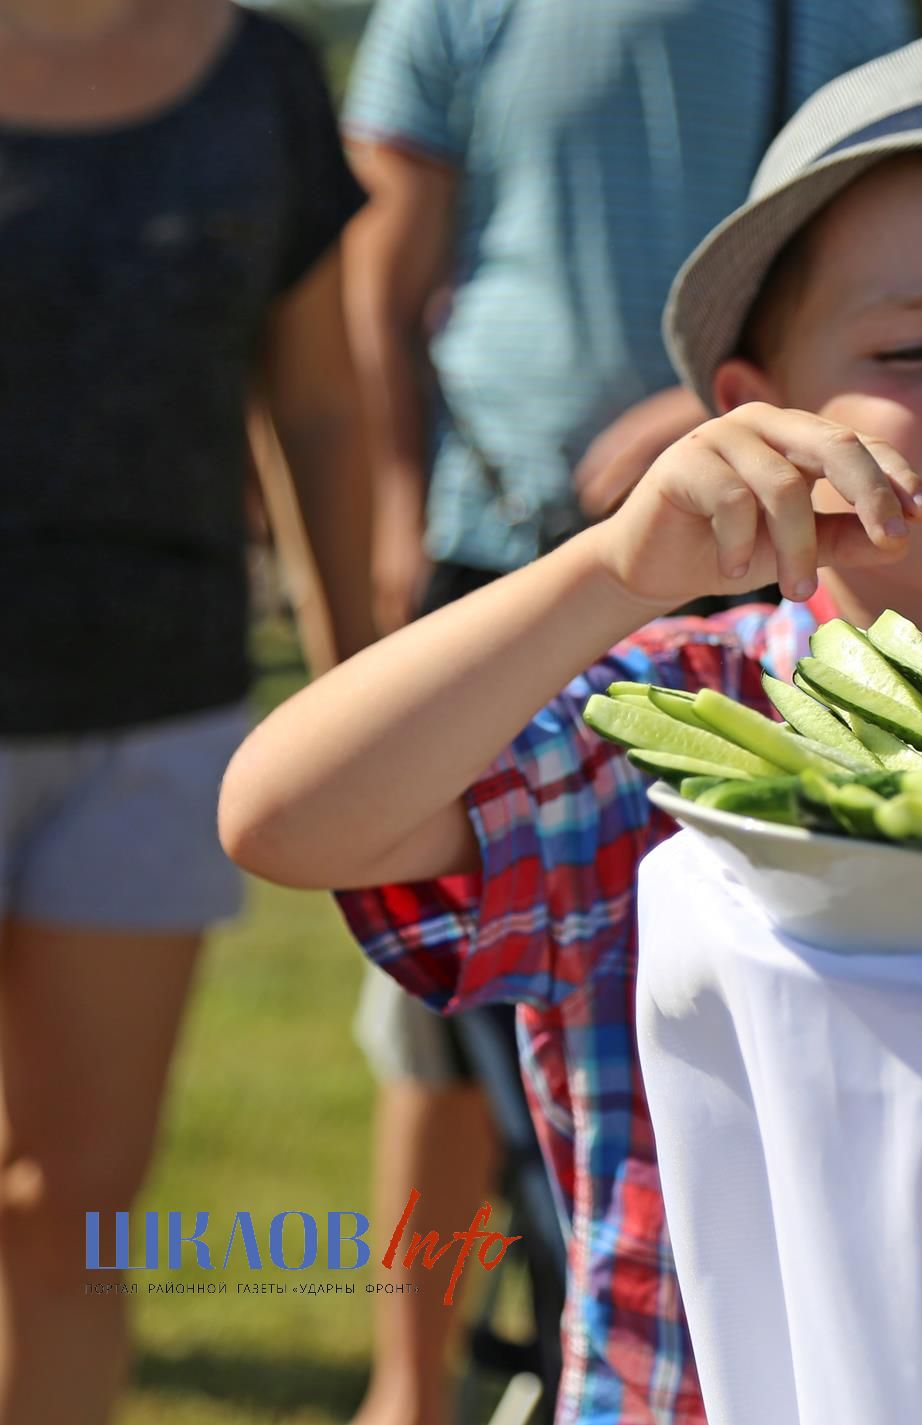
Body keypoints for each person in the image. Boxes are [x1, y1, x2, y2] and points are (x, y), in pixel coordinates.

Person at [218, 27, 922, 1422]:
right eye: (913, 344)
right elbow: (287, 814)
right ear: (757, 418)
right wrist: (602, 576)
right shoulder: (669, 721)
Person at [338, 2, 913, 1417]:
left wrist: (710, 420)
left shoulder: (847, 11)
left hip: (776, 538)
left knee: (663, 1023)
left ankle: (563, 1333)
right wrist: (398, 514)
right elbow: (381, 265)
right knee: (444, 1018)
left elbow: (872, 233)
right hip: (505, 543)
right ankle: (414, 1381)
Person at [0, 1, 376, 1422]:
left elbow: (323, 407)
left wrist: (356, 691)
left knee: (76, 1196)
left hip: (157, 714)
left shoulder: (261, 77)